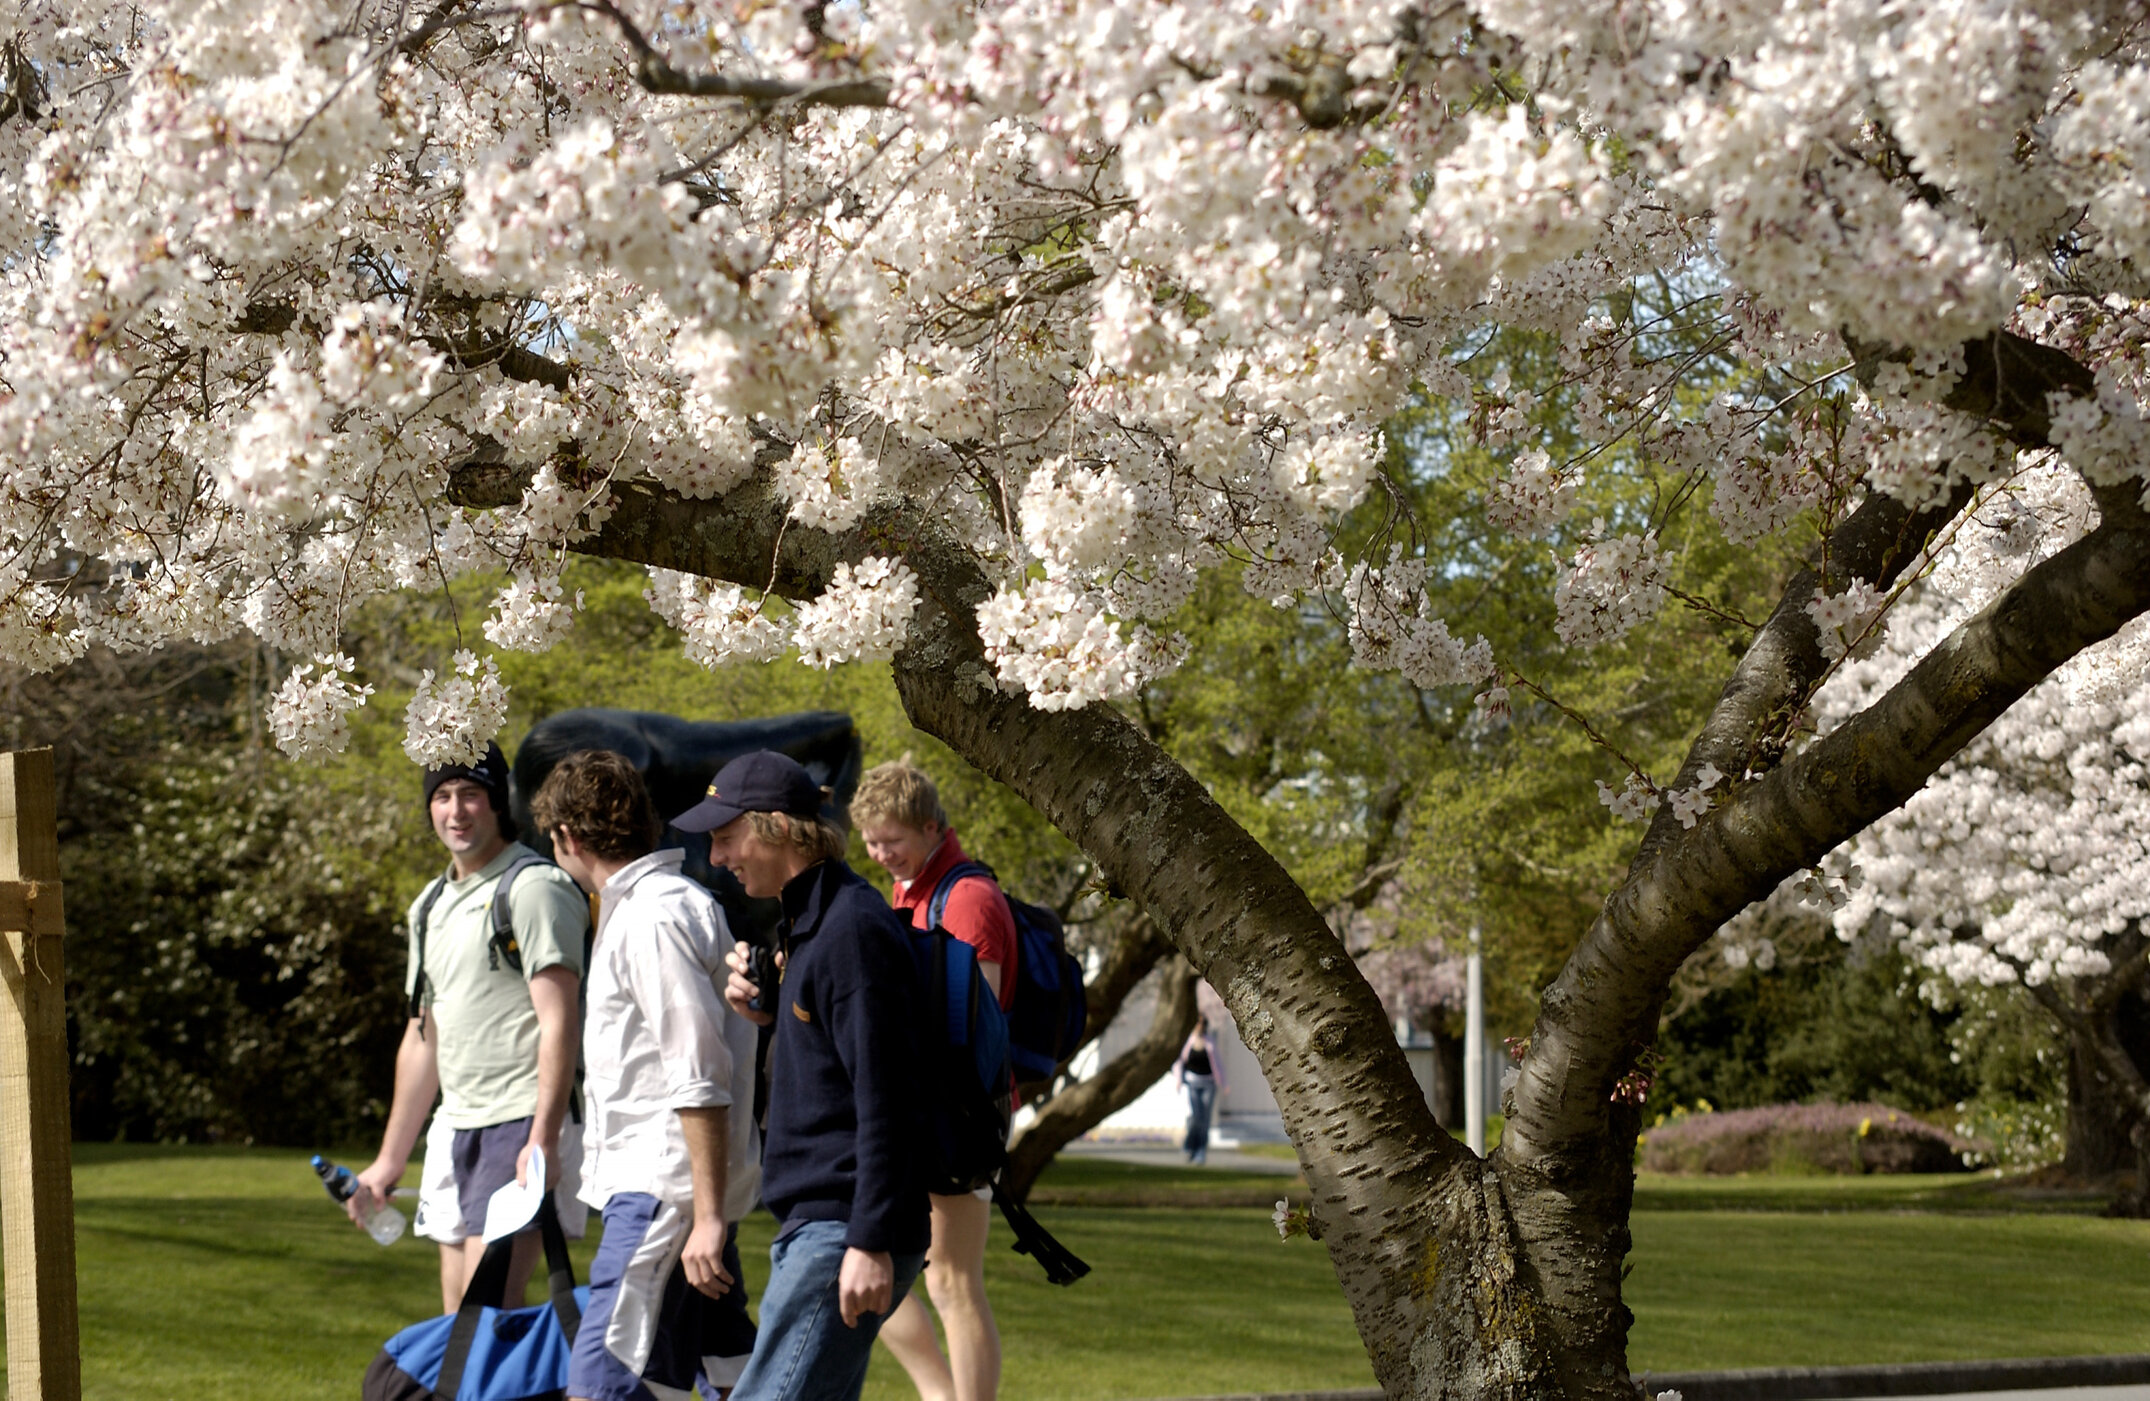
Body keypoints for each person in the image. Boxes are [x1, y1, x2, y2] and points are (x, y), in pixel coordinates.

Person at [675, 750, 930, 1401]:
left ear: (776, 827)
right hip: (820, 1227)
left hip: (841, 1229)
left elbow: (888, 1096)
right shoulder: (814, 924)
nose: (717, 855)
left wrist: (869, 1242)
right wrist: (767, 1012)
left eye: (726, 834)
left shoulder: (850, 930)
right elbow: (834, 1067)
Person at [532, 749, 759, 1401]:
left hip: (662, 1194)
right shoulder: (657, 906)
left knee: (600, 1386)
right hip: (676, 1193)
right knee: (724, 1377)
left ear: (569, 838)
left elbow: (698, 1073)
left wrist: (708, 1214)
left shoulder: (652, 914)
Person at [347, 742, 591, 1315]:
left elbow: (562, 1022)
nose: (456, 811)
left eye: (471, 795)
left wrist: (543, 1140)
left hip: (519, 1124)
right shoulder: (428, 906)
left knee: (487, 1313)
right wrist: (389, 1160)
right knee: (459, 1318)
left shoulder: (535, 889)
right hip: (454, 1128)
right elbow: (422, 1036)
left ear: (497, 803)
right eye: (443, 796)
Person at [851, 758, 1010, 1401]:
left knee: (951, 1280)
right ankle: (940, 1394)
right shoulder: (910, 888)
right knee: (879, 1264)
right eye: (871, 840)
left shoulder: (968, 899)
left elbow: (979, 1028)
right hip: (922, 1106)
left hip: (963, 1112)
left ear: (929, 827)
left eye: (892, 839)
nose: (880, 853)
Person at [1176, 1016, 1228, 1166]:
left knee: (1205, 1121)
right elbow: (1179, 1062)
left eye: (1201, 1024)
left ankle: (1200, 1152)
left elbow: (1217, 1063)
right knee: (1196, 1118)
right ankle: (1189, 1145)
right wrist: (1179, 1080)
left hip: (1209, 1084)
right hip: (1193, 1084)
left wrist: (1224, 1083)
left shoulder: (1209, 1041)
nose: (1199, 1027)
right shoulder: (1189, 1042)